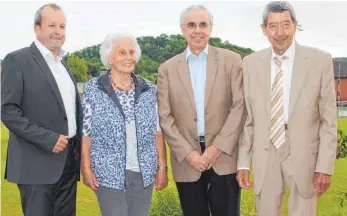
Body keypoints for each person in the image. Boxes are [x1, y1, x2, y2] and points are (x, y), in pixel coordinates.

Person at [237, 1, 337, 216]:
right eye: (273, 26)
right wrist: (243, 163)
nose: (280, 32)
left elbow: (329, 120)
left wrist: (324, 167)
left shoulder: (320, 61)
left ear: (295, 25)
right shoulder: (250, 63)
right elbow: (248, 119)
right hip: (265, 152)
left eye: (285, 24)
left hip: (303, 154)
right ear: (264, 29)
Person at [157, 5, 246, 216]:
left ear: (211, 28)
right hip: (187, 161)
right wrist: (188, 154)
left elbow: (240, 106)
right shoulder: (166, 69)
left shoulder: (232, 60)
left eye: (203, 24)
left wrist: (217, 148)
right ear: (182, 29)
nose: (197, 30)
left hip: (224, 157)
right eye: (191, 25)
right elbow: (165, 117)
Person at [1, 3, 82, 216]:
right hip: (36, 167)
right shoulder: (17, 60)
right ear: (37, 29)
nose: (58, 31)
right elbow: (7, 110)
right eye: (52, 25)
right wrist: (47, 138)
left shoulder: (63, 64)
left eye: (62, 26)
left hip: (68, 165)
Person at [81, 32, 168, 216]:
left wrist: (162, 167)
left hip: (143, 172)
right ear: (109, 58)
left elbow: (157, 132)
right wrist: (86, 167)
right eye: (122, 53)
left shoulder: (148, 89)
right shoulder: (93, 89)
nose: (128, 57)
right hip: (108, 173)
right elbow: (86, 133)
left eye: (131, 52)